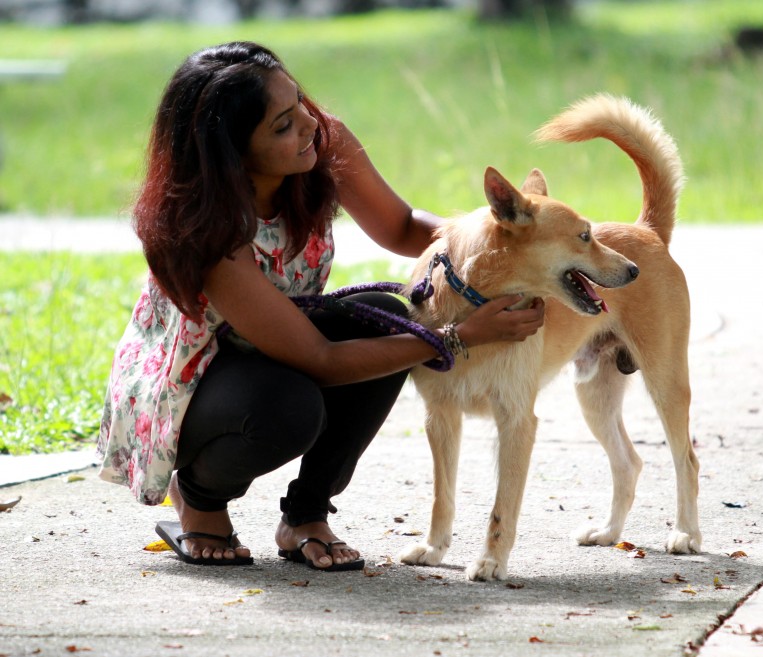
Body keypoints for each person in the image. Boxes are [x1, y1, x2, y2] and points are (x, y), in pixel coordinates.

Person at [96, 41, 545, 570]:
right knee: (293, 406)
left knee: (387, 316)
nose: (307, 125)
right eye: (282, 125)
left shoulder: (319, 142)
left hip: (280, 344)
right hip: (194, 379)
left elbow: (402, 228)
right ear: (232, 153)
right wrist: (458, 336)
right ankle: (199, 496)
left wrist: (506, 248)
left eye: (300, 104)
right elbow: (320, 361)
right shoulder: (209, 229)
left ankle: (306, 515)